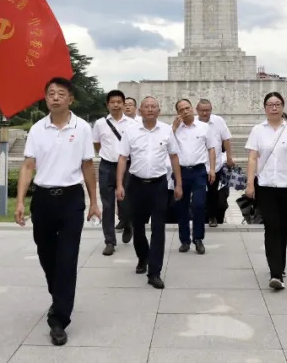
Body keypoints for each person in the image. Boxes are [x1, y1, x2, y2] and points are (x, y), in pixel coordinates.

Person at [15, 77, 102, 346]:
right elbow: (28, 166)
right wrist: (20, 201)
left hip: (71, 199)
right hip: (43, 199)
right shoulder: (37, 129)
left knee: (67, 258)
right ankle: (59, 295)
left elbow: (88, 166)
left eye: (61, 93)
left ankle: (59, 319)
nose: (55, 97)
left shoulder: (83, 128)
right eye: (51, 93)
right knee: (46, 255)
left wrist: (94, 202)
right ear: (45, 98)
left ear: (70, 99)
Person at [245, 91, 287, 291]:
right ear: (265, 108)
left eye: (277, 104)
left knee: (282, 226)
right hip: (265, 186)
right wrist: (250, 183)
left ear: (283, 107)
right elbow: (252, 158)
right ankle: (275, 273)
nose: (274, 108)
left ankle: (279, 266)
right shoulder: (258, 130)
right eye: (270, 104)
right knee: (272, 226)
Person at [116, 96, 182, 289]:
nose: (150, 109)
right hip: (136, 184)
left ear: (159, 111)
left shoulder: (167, 130)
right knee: (137, 225)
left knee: (158, 228)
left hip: (159, 185)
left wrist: (179, 184)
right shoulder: (131, 131)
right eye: (147, 106)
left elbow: (174, 157)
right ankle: (143, 257)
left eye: (154, 107)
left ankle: (155, 272)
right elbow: (122, 158)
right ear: (140, 111)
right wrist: (119, 184)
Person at [172, 98, 218, 254]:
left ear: (192, 108)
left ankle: (198, 238)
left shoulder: (204, 127)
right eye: (181, 110)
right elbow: (167, 146)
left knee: (199, 205)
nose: (185, 111)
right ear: (178, 113)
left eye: (187, 108)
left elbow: (211, 148)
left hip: (199, 171)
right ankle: (184, 240)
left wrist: (212, 169)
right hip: (181, 171)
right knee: (181, 206)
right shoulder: (175, 129)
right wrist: (173, 128)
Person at [93, 89, 133, 254]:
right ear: (107, 104)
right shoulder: (100, 123)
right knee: (108, 205)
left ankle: (127, 223)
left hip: (127, 166)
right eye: (112, 102)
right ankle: (109, 241)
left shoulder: (132, 124)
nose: (116, 105)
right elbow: (97, 144)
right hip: (107, 167)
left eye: (119, 102)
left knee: (126, 201)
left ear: (123, 104)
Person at [194, 99, 233, 226]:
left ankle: (212, 216)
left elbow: (226, 139)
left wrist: (229, 157)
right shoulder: (193, 122)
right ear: (197, 110)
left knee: (213, 191)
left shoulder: (218, 121)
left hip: (215, 164)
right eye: (202, 110)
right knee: (198, 192)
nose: (205, 113)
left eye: (208, 110)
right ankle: (198, 217)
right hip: (198, 163)